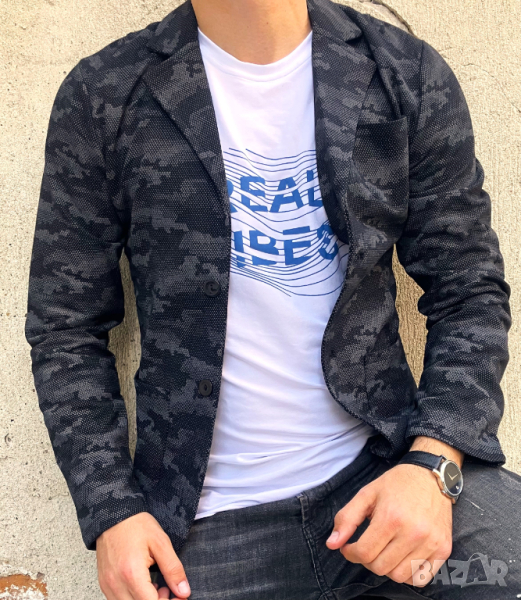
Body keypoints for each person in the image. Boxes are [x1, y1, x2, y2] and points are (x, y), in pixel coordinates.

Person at [24, 0, 520, 598]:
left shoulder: (400, 71)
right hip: (207, 528)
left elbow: (468, 286)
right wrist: (111, 510)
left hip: (386, 477)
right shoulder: (106, 93)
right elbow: (65, 328)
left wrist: (434, 463)